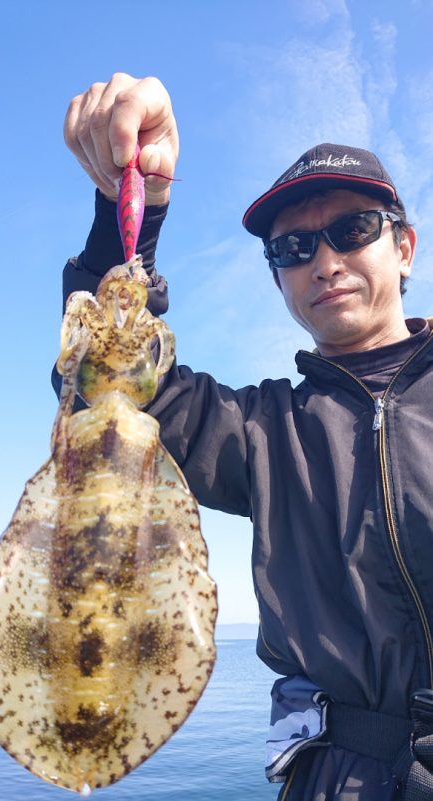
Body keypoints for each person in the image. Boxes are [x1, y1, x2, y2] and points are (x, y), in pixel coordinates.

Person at [56, 73, 433, 801]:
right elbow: (104, 389)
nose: (324, 262)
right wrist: (127, 207)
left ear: (405, 247)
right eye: (293, 248)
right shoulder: (263, 432)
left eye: (352, 230)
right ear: (279, 280)